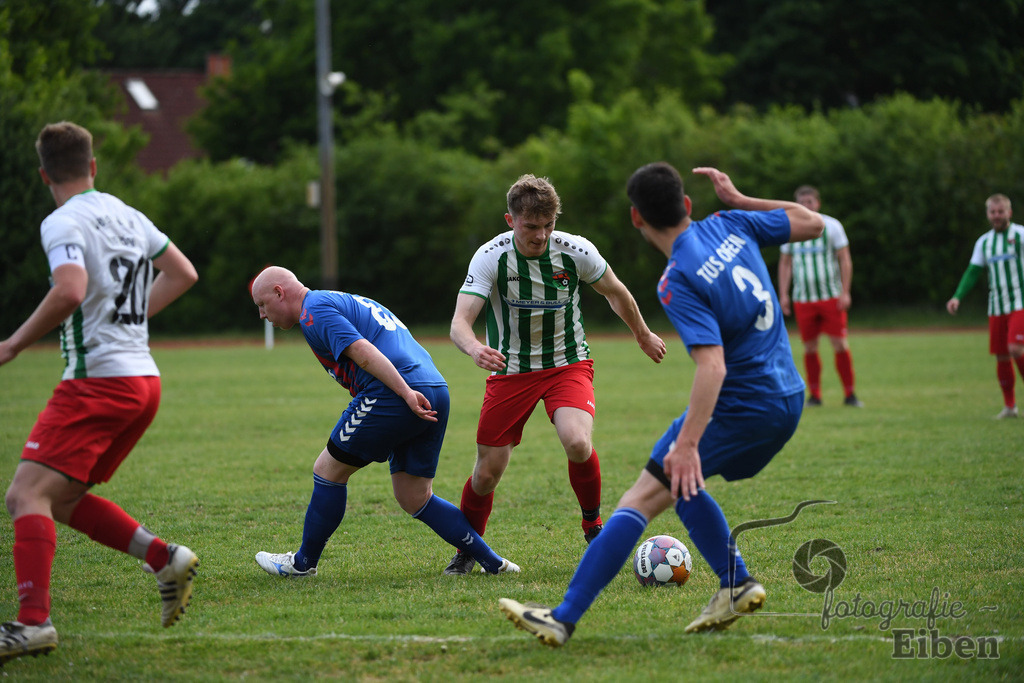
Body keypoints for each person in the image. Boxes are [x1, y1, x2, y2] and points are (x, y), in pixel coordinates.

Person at [498, 163, 824, 647]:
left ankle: (563, 618)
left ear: (636, 219)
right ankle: (735, 583)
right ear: (688, 204)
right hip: (788, 396)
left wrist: (688, 443)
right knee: (681, 485)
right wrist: (738, 199)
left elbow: (712, 367)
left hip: (743, 404)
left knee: (644, 495)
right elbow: (813, 223)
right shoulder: (730, 223)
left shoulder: (677, 279)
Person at [0, 122, 200, 666]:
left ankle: (33, 623)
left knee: (25, 496)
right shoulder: (128, 214)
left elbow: (69, 289)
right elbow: (182, 273)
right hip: (143, 380)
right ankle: (163, 557)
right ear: (93, 167)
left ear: (44, 175)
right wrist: (131, 323)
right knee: (59, 498)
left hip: (99, 383)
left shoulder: (62, 220)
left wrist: (14, 344)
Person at [444, 174, 667, 575]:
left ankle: (593, 526)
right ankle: (467, 548)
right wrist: (475, 348)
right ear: (510, 220)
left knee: (578, 442)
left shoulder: (575, 251)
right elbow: (460, 323)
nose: (541, 235)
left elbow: (616, 291)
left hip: (567, 364)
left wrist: (644, 334)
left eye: (548, 225)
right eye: (531, 226)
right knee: (486, 474)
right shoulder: (490, 257)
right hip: (510, 373)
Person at [249, 266, 520, 579]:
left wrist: (405, 393)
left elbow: (363, 350)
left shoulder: (315, 311)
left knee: (328, 470)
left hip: (397, 391)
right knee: (414, 496)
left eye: (262, 305)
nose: (262, 315)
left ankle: (302, 563)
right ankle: (494, 563)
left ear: (280, 293)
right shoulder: (340, 300)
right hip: (434, 388)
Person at [777, 185, 863, 407]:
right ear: (796, 204)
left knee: (840, 343)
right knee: (809, 346)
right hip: (803, 298)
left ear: (818, 203)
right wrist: (783, 294)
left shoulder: (832, 226)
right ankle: (815, 395)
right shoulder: (790, 229)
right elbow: (785, 263)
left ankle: (850, 394)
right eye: (802, 202)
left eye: (810, 201)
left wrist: (845, 291)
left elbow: (845, 259)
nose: (807, 206)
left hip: (830, 296)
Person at [946, 194, 1024, 419]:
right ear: (988, 214)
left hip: (1020, 302)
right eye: (993, 212)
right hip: (997, 305)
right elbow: (973, 272)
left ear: (1009, 212)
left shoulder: (1020, 235)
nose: (996, 216)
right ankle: (1010, 406)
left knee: (1015, 349)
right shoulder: (984, 242)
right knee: (1001, 356)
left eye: (1001, 211)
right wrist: (957, 296)